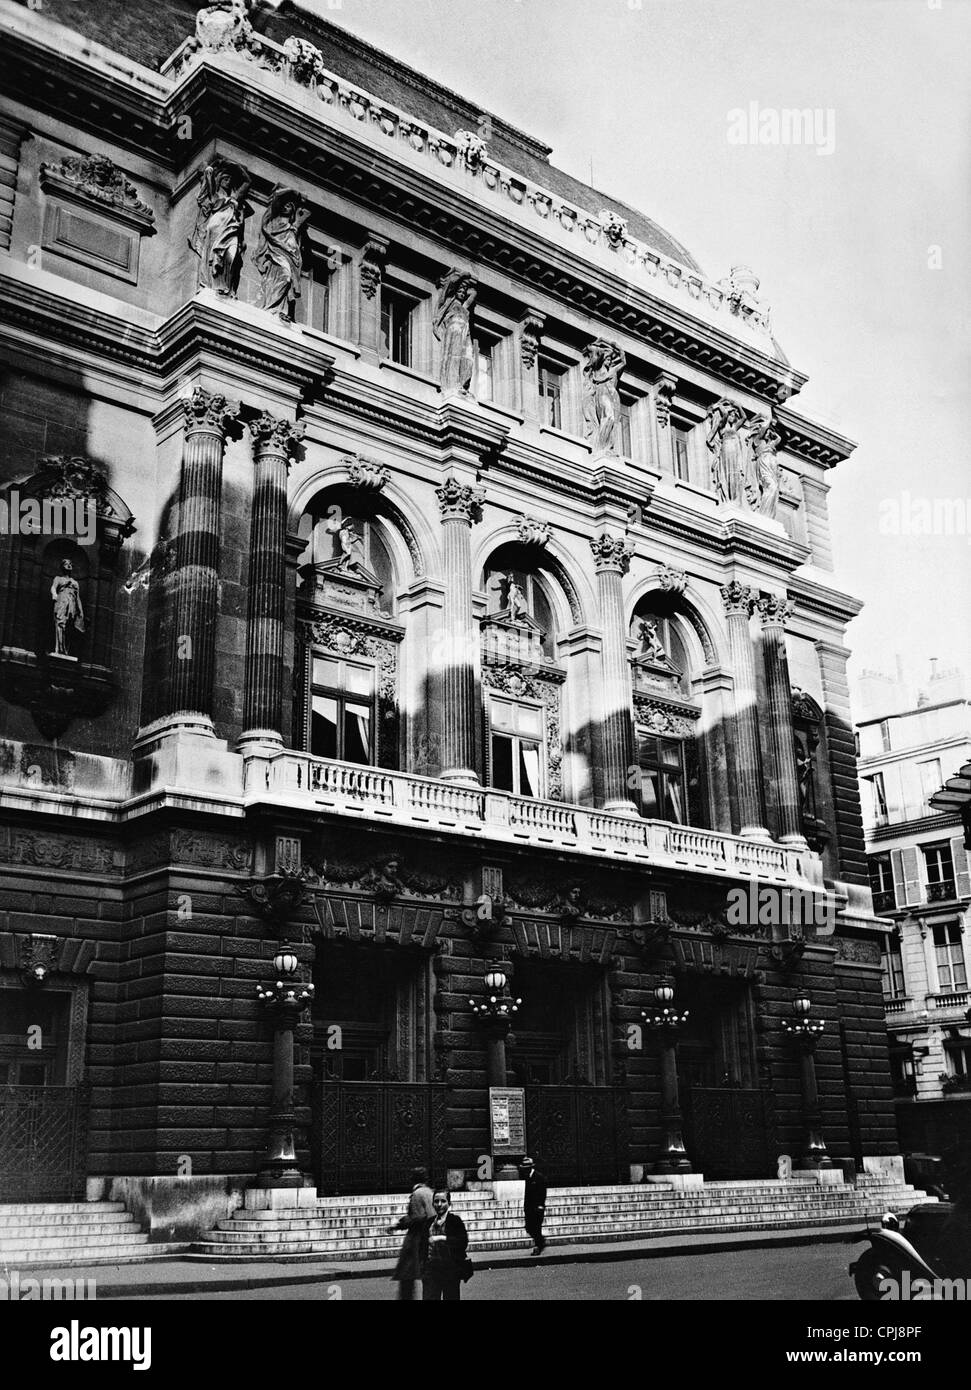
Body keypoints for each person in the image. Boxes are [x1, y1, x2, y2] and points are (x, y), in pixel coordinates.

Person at [388, 1167, 434, 1300]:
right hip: (428, 1235)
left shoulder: (417, 1194)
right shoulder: (429, 1192)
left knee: (407, 1271)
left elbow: (417, 1217)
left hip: (416, 1238)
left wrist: (399, 1225)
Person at [420, 1190, 470, 1301]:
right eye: (436, 1201)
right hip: (431, 1270)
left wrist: (442, 1238)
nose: (439, 1204)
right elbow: (422, 1246)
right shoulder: (428, 1223)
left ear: (449, 1203)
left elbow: (462, 1242)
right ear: (432, 1203)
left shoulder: (455, 1221)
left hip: (450, 1270)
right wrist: (423, 1266)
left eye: (443, 1201)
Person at [521, 1156, 548, 1255]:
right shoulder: (528, 1177)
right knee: (529, 1227)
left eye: (526, 1168)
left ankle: (538, 1246)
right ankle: (541, 1242)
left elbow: (542, 1192)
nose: (524, 1170)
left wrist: (541, 1205)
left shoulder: (539, 1177)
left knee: (536, 1227)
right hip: (529, 1208)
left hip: (537, 1208)